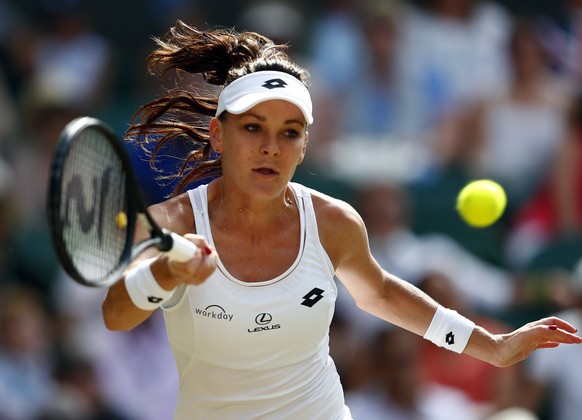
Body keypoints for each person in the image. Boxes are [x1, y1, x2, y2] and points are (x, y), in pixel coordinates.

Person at [101, 21, 582, 419]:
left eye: (289, 133)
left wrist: (492, 347)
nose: (271, 147)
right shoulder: (171, 222)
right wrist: (167, 272)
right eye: (253, 128)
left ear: (303, 146)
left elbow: (382, 293)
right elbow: (116, 314)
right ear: (218, 136)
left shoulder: (332, 221)